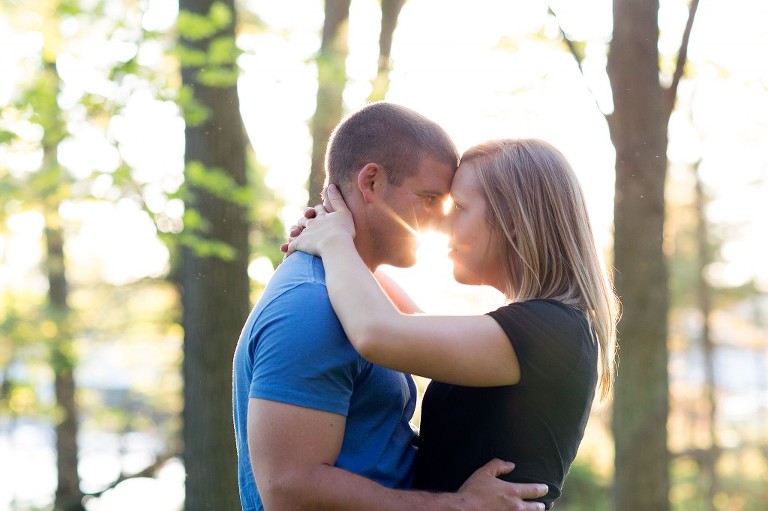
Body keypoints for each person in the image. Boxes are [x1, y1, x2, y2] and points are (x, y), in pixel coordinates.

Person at [232, 102, 549, 511]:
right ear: (372, 182)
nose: (441, 223)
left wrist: (337, 243)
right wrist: (459, 506)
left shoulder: (348, 295)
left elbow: (408, 325)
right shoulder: (311, 306)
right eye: (430, 198)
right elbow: (290, 489)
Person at [286, 138, 621, 509]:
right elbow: (409, 321)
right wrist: (352, 248)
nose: (443, 224)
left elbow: (376, 332)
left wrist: (336, 242)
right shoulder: (547, 327)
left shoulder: (552, 330)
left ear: (511, 221)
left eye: (459, 207)